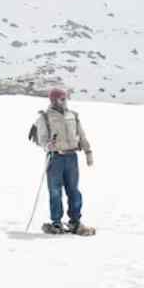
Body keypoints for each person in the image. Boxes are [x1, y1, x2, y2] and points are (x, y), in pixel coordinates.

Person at [33, 88, 95, 235]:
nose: (65, 101)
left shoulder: (72, 115)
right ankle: (56, 222)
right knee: (55, 191)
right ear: (54, 100)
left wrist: (88, 152)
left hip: (71, 157)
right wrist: (47, 145)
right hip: (55, 158)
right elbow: (42, 138)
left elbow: (81, 135)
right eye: (62, 99)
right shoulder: (45, 117)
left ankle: (75, 221)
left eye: (66, 98)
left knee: (74, 190)